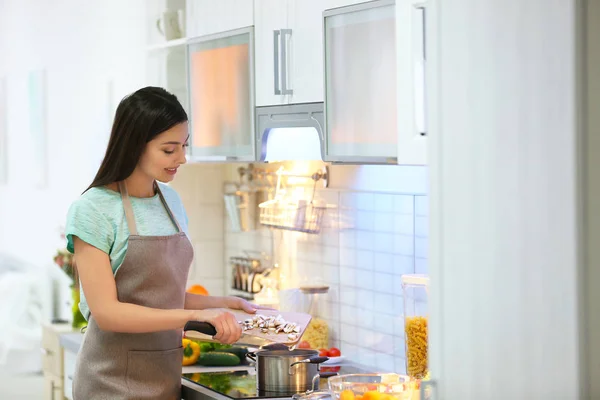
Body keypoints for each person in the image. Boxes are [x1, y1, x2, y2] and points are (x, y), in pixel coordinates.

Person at [65, 87, 265, 399]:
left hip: (164, 379)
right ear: (134, 146)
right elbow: (107, 312)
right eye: (169, 150)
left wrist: (224, 304)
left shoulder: (170, 201)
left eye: (184, 146)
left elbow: (160, 298)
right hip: (109, 383)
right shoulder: (92, 210)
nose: (182, 158)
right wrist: (194, 317)